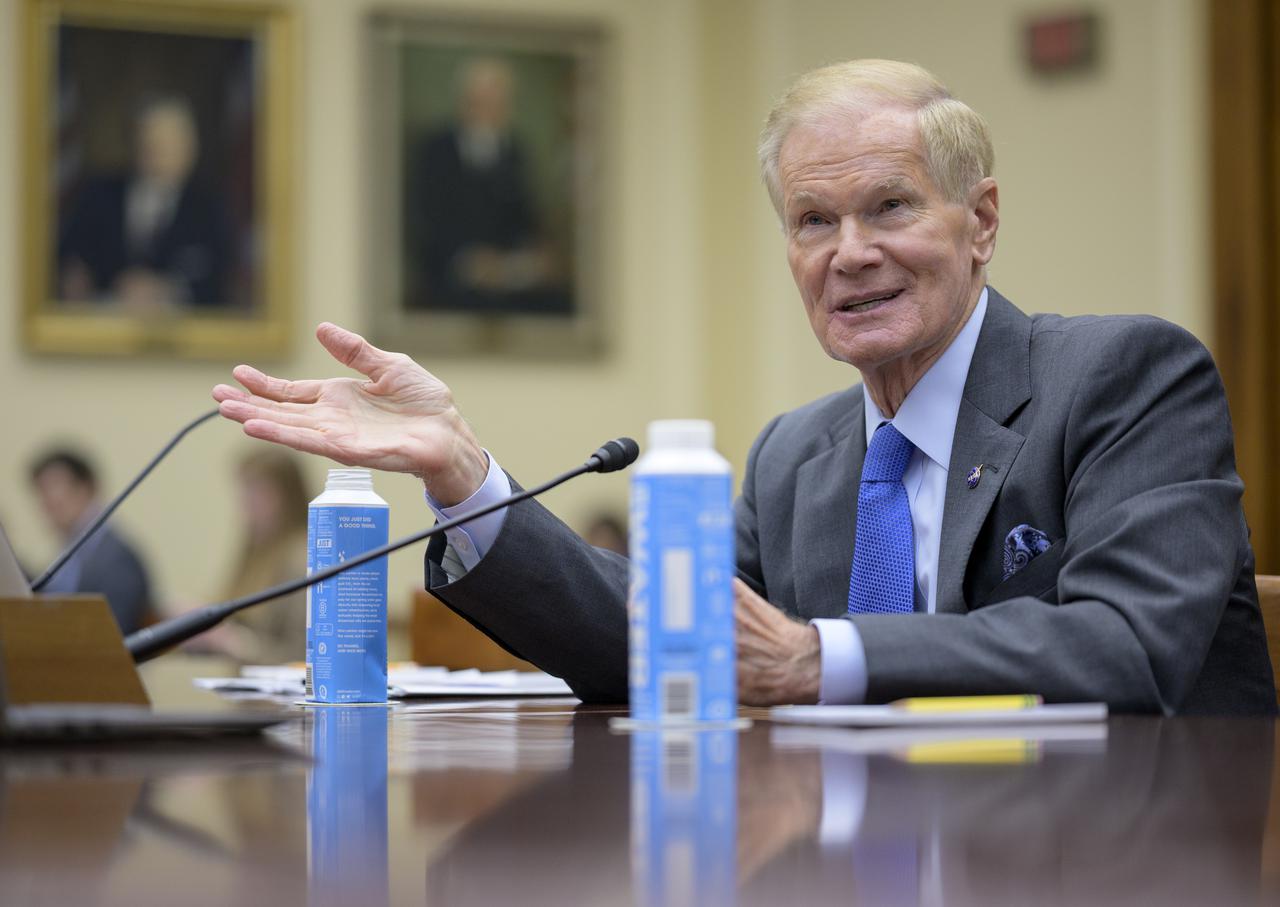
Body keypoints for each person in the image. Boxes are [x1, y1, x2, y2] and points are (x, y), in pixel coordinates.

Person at [212, 59, 1276, 714]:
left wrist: (822, 658)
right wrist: (463, 470)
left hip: (1116, 854)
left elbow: (1130, 643)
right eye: (813, 221)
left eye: (890, 208)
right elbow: (654, 640)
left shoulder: (1123, 376)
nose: (848, 252)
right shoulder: (793, 456)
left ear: (980, 222)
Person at [406, 57, 570, 315]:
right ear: (465, 102)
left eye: (499, 104)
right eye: (482, 103)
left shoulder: (515, 151)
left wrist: (530, 257)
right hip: (447, 282)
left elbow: (524, 217)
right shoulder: (436, 149)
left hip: (507, 278)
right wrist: (468, 261)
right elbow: (426, 220)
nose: (490, 112)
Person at [58, 95, 233, 310]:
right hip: (102, 322)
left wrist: (164, 289)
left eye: (166, 144)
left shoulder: (207, 208)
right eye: (148, 140)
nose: (154, 152)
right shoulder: (99, 195)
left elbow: (218, 277)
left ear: (189, 149)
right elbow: (72, 258)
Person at [201, 449, 311, 664]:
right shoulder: (255, 548)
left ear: (288, 496)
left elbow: (301, 653)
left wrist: (233, 643)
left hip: (282, 687)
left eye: (257, 491)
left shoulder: (302, 556)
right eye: (244, 490)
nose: (245, 502)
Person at [29, 448, 153, 634]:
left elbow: (114, 634)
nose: (47, 501)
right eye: (41, 491)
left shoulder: (117, 557)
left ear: (86, 488)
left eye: (54, 488)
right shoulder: (70, 552)